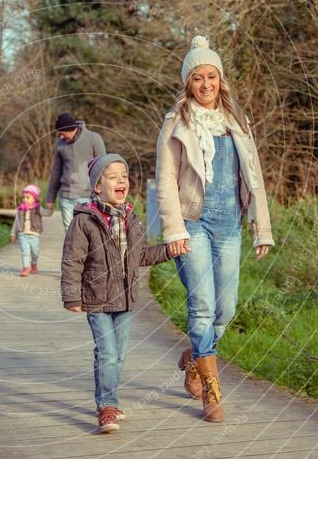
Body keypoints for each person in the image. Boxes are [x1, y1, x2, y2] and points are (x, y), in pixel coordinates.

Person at [155, 36, 274, 422]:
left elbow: (253, 176)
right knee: (203, 305)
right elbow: (166, 178)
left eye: (211, 76)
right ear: (187, 83)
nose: (205, 84)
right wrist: (174, 230)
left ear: (220, 80)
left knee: (226, 308)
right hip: (193, 223)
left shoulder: (237, 120)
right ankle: (211, 389)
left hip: (229, 223)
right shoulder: (177, 121)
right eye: (197, 78)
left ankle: (195, 358)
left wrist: (261, 226)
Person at [61, 153, 185, 433]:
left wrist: (168, 249)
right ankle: (106, 407)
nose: (121, 180)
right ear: (97, 186)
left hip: (126, 299)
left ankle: (111, 403)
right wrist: (72, 295)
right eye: (112, 176)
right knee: (106, 353)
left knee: (119, 355)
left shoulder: (131, 218)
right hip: (96, 297)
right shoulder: (84, 220)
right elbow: (72, 259)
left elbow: (140, 256)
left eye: (124, 176)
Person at [46, 113, 106, 230]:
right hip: (66, 198)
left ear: (69, 130)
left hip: (87, 197)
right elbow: (56, 172)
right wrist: (50, 197)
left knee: (87, 232)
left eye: (62, 133)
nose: (60, 137)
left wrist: (103, 195)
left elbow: (103, 167)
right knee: (69, 234)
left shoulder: (94, 139)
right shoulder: (60, 144)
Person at [10, 184, 44, 277]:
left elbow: (47, 213)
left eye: (28, 197)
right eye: (24, 197)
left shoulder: (38, 209)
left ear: (34, 199)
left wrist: (51, 208)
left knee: (35, 252)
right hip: (23, 234)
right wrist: (13, 233)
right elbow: (16, 222)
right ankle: (26, 268)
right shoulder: (20, 210)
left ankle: (34, 264)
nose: (25, 199)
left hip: (34, 235)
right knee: (25, 251)